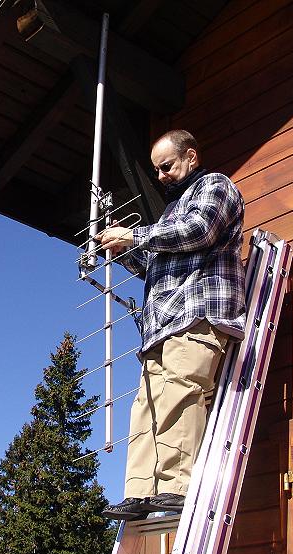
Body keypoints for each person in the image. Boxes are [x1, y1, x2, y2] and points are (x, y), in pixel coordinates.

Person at [96, 130, 246, 521]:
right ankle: (140, 491)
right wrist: (125, 249)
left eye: (166, 166)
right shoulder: (169, 213)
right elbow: (154, 264)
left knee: (181, 394)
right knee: (146, 406)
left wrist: (136, 234)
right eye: (156, 169)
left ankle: (176, 486)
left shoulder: (216, 187)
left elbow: (201, 230)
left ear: (191, 156)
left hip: (197, 312)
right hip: (162, 324)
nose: (160, 175)